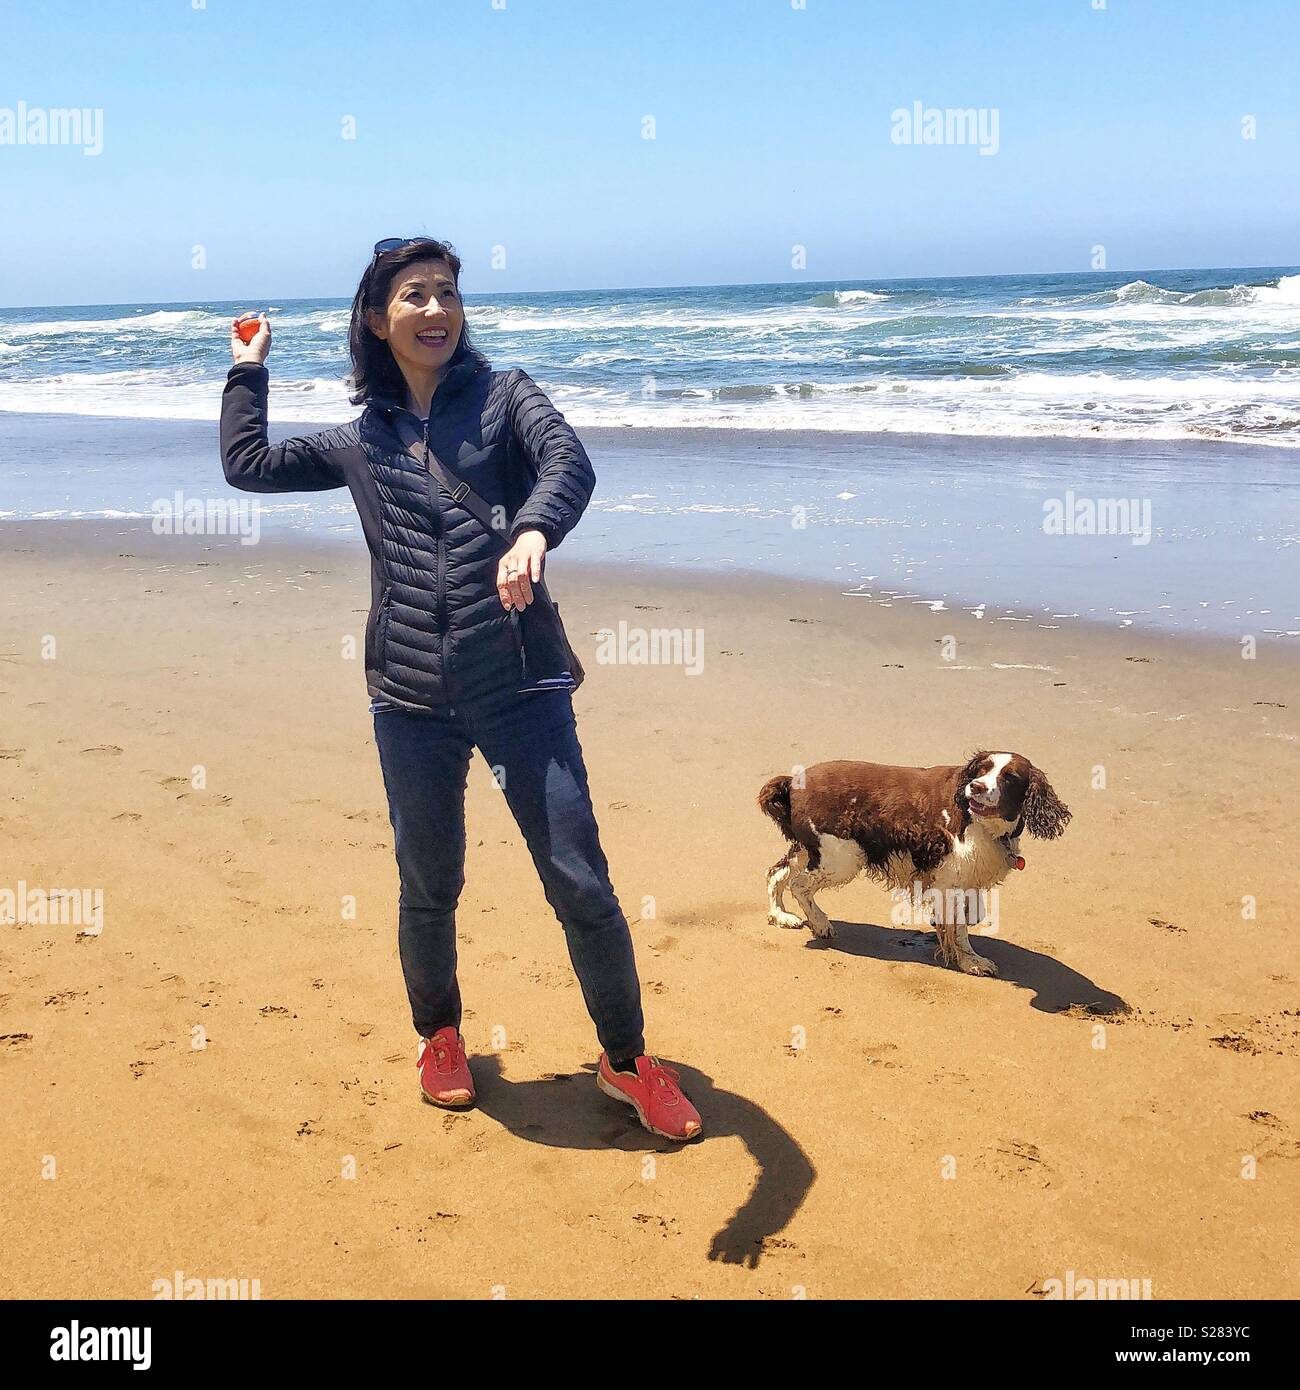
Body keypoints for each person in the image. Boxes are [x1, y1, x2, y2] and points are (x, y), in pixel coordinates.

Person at [219, 236, 701, 1141]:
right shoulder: (362, 440)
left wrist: (532, 531)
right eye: (414, 295)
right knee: (427, 880)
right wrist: (248, 370)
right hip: (408, 696)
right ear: (377, 319)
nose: (435, 309)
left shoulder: (507, 395)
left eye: (447, 293)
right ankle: (439, 1036)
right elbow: (246, 467)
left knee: (579, 878)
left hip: (518, 682)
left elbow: (570, 464)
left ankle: (628, 1061)